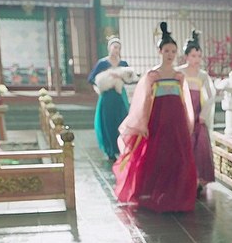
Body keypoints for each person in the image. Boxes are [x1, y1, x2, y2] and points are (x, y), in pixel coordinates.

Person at [113, 22, 197, 213]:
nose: (170, 54)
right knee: (157, 156)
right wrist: (142, 123)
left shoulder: (179, 76)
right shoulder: (152, 75)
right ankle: (153, 192)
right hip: (158, 120)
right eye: (166, 50)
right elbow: (143, 101)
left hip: (176, 121)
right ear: (159, 51)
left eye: (173, 51)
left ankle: (176, 193)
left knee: (178, 157)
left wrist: (187, 121)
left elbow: (184, 102)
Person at [175, 29, 216, 197]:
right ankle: (182, 178)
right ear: (186, 56)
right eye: (193, 56)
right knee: (183, 145)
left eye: (199, 56)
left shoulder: (203, 75)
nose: (197, 59)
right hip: (183, 113)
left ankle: (198, 180)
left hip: (198, 115)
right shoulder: (179, 73)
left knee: (200, 148)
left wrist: (204, 114)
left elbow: (211, 96)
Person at [88, 36, 131, 161]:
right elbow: (91, 78)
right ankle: (110, 150)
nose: (116, 50)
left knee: (122, 120)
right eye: (114, 47)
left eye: (118, 48)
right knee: (107, 122)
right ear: (109, 48)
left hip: (119, 96)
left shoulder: (123, 64)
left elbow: (129, 78)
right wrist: (102, 82)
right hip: (107, 96)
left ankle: (122, 148)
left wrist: (120, 77)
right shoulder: (102, 63)